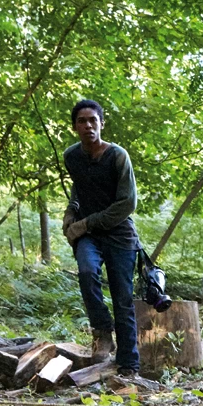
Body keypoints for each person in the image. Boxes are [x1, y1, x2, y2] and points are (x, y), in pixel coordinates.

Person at [63, 99, 141, 377]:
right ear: (75, 127)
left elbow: (127, 203)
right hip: (88, 236)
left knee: (122, 298)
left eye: (92, 120)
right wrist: (71, 213)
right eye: (82, 121)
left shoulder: (118, 156)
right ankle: (102, 330)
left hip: (120, 234)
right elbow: (78, 189)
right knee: (86, 272)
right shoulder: (71, 156)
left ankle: (128, 364)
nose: (88, 125)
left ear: (101, 124)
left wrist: (85, 223)